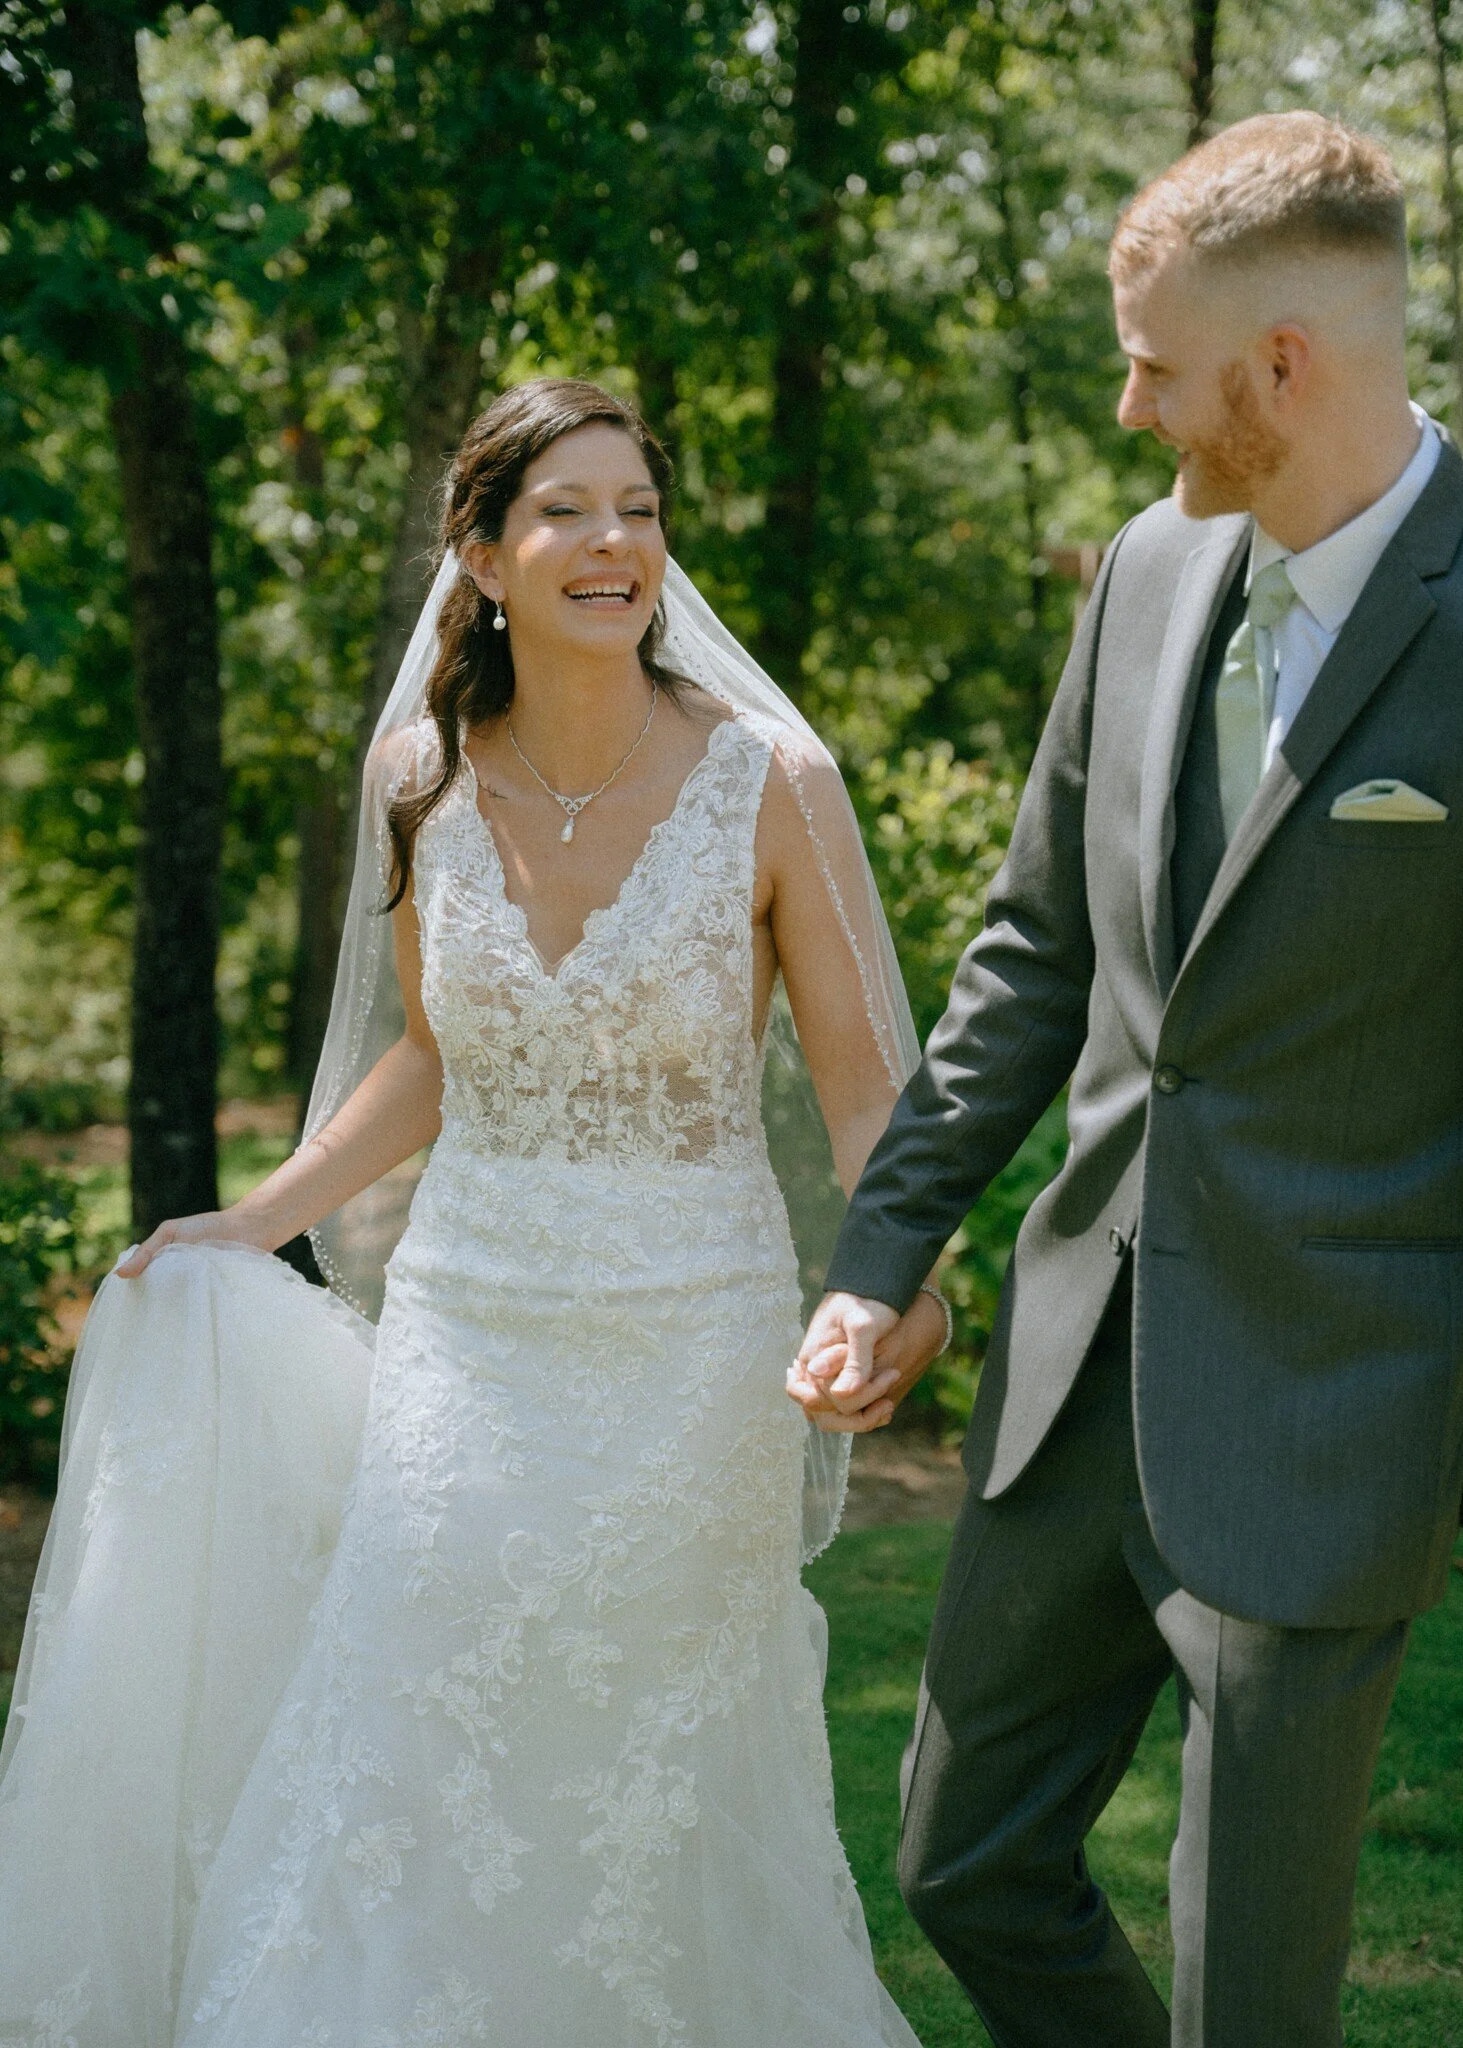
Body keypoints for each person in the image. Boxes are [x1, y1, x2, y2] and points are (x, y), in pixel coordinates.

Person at [0, 378, 947, 2045]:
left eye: (637, 509)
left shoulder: (771, 781)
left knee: (655, 1754)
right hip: (470, 1334)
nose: (612, 542)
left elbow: (872, 1099)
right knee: (417, 1718)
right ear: (485, 555)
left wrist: (895, 1286)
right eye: (565, 510)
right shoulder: (419, 775)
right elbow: (435, 1056)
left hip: (694, 1344)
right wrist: (253, 1219)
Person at [793, 112, 1463, 2048]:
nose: (1127, 407)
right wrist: (881, 1253)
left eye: (1154, 367)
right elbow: (1030, 957)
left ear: (1283, 365)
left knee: (1250, 1995)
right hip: (1076, 1372)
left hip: (1338, 1400)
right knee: (960, 1864)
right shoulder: (1147, 576)